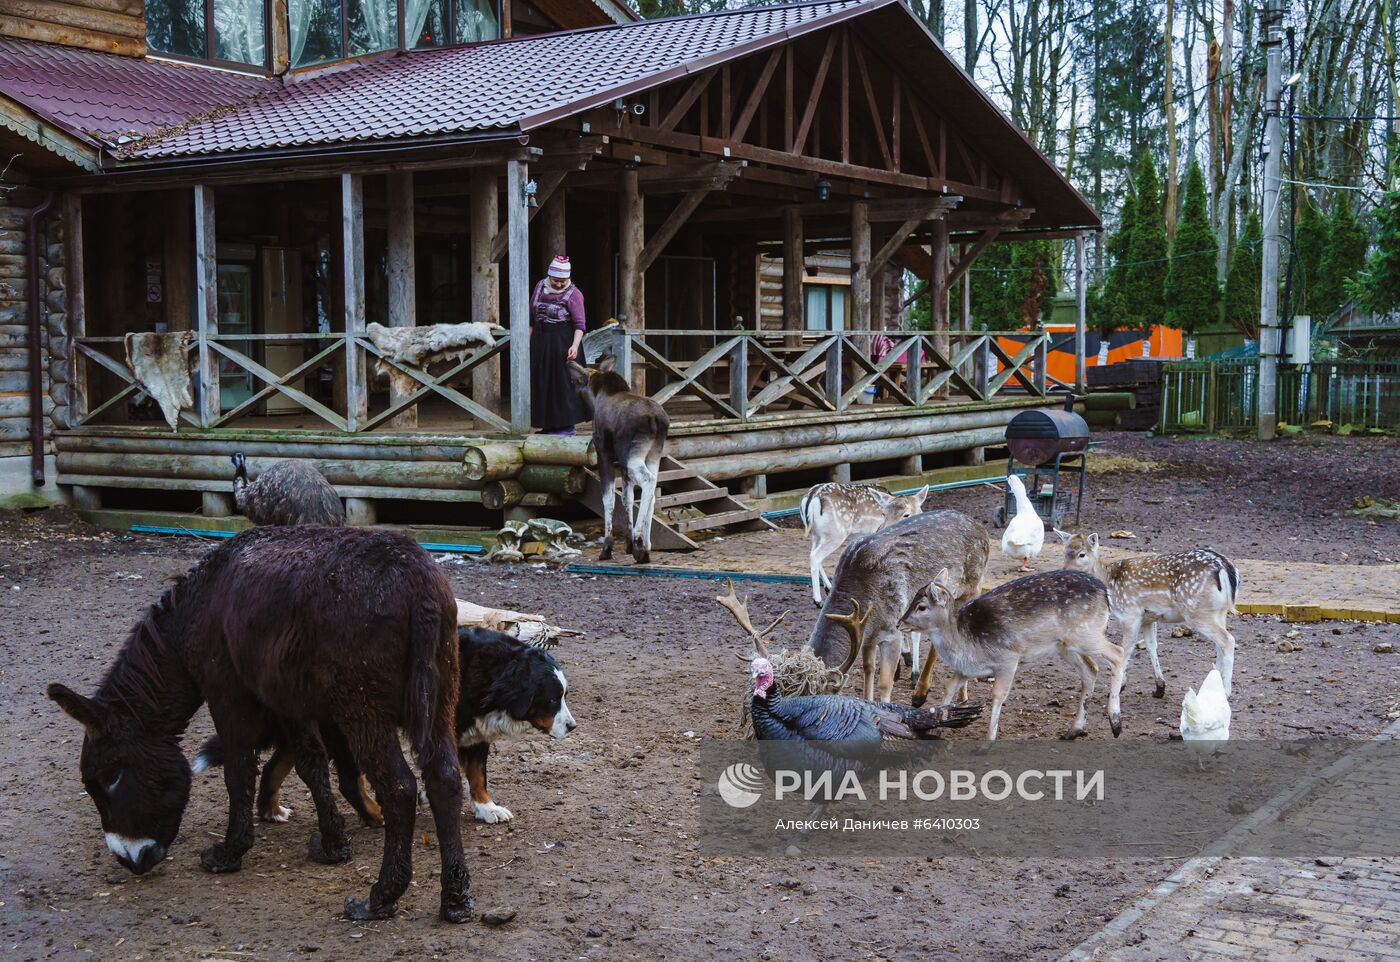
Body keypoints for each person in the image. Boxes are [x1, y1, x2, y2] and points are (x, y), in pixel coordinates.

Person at [530, 255, 588, 434]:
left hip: (564, 341)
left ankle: (567, 426)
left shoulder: (574, 294)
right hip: (541, 340)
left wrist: (575, 346)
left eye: (563, 281)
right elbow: (531, 317)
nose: (560, 284)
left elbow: (580, 324)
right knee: (543, 382)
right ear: (550, 276)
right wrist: (527, 341)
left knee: (563, 384)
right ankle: (548, 426)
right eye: (556, 280)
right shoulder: (540, 287)